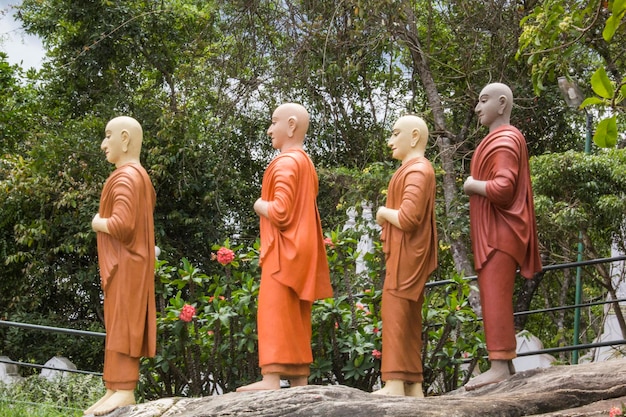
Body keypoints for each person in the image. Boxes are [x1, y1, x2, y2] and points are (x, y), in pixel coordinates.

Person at [237, 103, 333, 392]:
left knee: (274, 311)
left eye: (274, 122)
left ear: (291, 125)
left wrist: (258, 204)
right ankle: (299, 376)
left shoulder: (286, 162)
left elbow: (280, 212)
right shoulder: (306, 163)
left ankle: (271, 379)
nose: (269, 129)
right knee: (296, 315)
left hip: (283, 252)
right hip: (302, 250)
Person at [463, 83, 542, 391]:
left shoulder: (505, 139)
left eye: (483, 101)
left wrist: (472, 185)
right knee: (492, 293)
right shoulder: (500, 138)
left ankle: (498, 365)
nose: (477, 108)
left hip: (500, 232)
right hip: (496, 231)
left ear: (502, 103)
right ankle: (505, 361)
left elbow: (503, 189)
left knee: (494, 294)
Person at [86, 116, 157, 415]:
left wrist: (97, 222)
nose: (104, 145)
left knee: (124, 325)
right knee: (117, 324)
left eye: (108, 137)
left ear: (125, 139)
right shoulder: (138, 176)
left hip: (127, 265)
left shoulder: (127, 177)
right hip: (129, 264)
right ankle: (114, 387)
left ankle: (124, 388)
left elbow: (124, 225)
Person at [373, 115, 438, 397]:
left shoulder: (417, 171)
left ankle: (396, 383)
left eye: (395, 133)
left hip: (406, 260)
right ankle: (413, 385)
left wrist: (382, 213)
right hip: (405, 256)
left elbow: (409, 218)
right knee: (407, 317)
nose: (390, 141)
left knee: (397, 313)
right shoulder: (413, 169)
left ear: (413, 137)